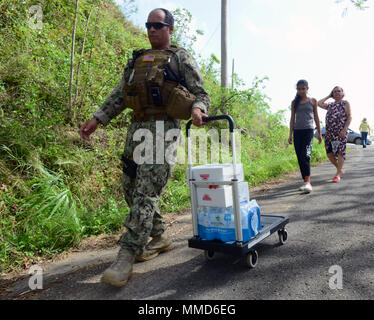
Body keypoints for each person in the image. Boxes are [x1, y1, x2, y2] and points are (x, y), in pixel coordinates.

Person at [79, 8, 210, 287]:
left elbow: (200, 93)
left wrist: (198, 110)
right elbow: (119, 94)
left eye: (157, 25)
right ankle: (160, 235)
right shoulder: (138, 59)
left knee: (146, 193)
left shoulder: (180, 58)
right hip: (136, 129)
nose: (151, 30)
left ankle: (127, 255)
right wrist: (97, 119)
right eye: (148, 25)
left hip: (163, 131)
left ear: (169, 29)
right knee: (130, 186)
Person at [288, 80, 322, 193]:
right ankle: (305, 181)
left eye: (303, 88)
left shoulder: (313, 101)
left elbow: (316, 117)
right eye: (299, 89)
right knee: (300, 157)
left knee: (306, 155)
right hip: (297, 132)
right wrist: (290, 135)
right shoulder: (294, 102)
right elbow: (292, 118)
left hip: (308, 131)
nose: (301, 91)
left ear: (307, 88)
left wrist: (320, 134)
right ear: (296, 90)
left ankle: (308, 182)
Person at [317, 86, 352, 182]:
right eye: (334, 91)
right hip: (329, 132)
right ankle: (339, 169)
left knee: (340, 152)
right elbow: (319, 103)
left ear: (342, 93)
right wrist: (329, 95)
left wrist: (344, 130)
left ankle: (337, 175)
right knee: (329, 154)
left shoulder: (345, 103)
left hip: (341, 132)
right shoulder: (330, 105)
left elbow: (349, 117)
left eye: (338, 91)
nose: (336, 93)